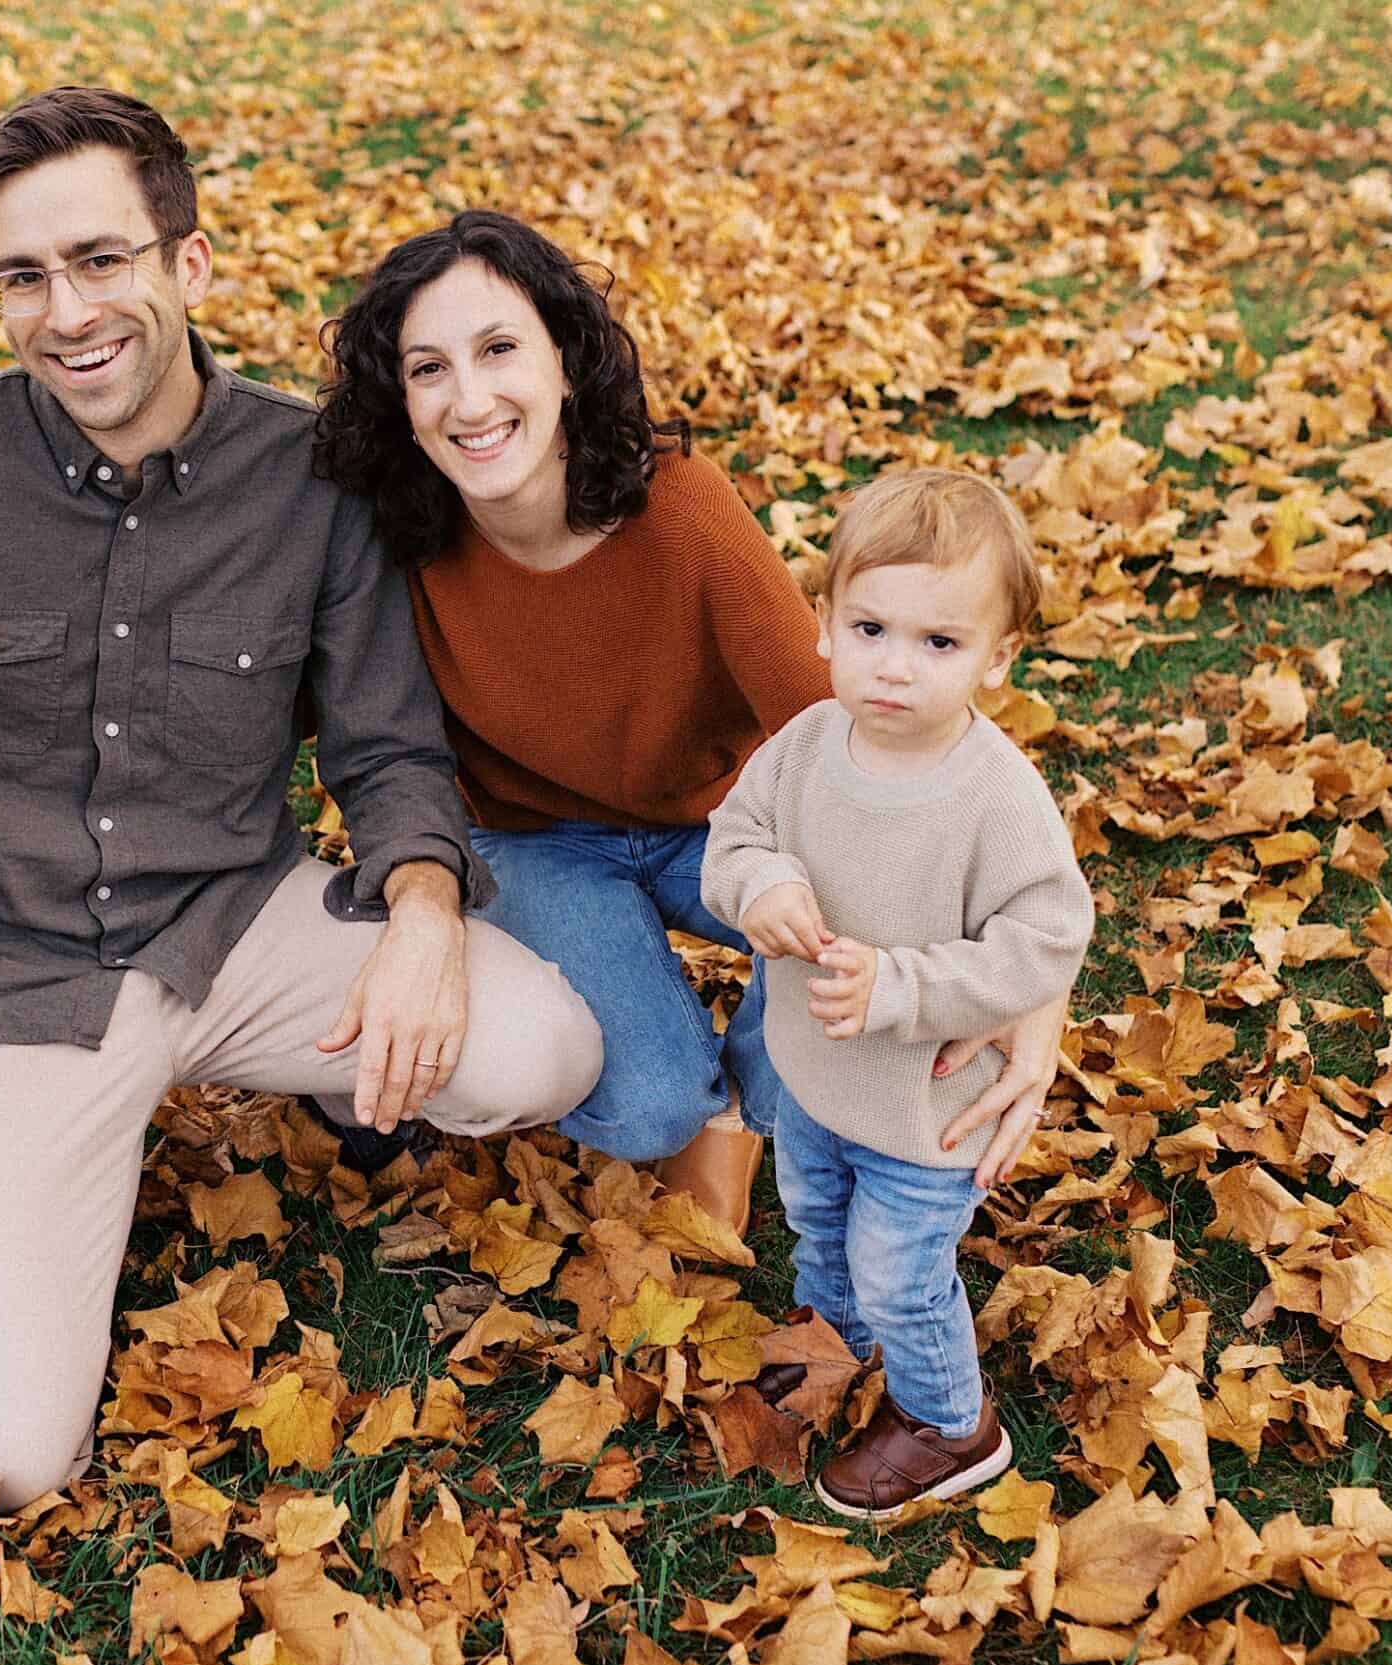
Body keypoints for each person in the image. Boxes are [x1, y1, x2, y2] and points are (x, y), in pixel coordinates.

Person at [0, 87, 602, 1512]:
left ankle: (319, 1076)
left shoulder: (312, 474)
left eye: (103, 260)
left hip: (238, 926)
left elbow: (386, 749)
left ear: (185, 265)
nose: (69, 309)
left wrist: (427, 914)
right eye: (26, 276)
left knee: (538, 1045)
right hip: (23, 979)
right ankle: (53, 1158)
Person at [313, 212, 1066, 1236]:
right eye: (427, 369)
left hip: (727, 823)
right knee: (653, 1101)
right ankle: (685, 1079)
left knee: (868, 912)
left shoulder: (680, 512)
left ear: (566, 364)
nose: (470, 398)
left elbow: (869, 741)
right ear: (400, 401)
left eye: (499, 350)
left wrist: (1031, 990)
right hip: (533, 842)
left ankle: (766, 1096)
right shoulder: (397, 543)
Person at [703, 468, 1094, 1518]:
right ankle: (836, 1341)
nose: (894, 668)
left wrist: (903, 986)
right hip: (817, 1082)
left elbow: (1046, 939)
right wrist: (764, 884)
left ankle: (946, 1421)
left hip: (927, 1110)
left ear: (997, 657)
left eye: (938, 644)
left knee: (898, 1267)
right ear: (822, 622)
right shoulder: (802, 750)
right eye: (870, 628)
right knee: (818, 1224)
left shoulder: (993, 795)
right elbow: (732, 840)